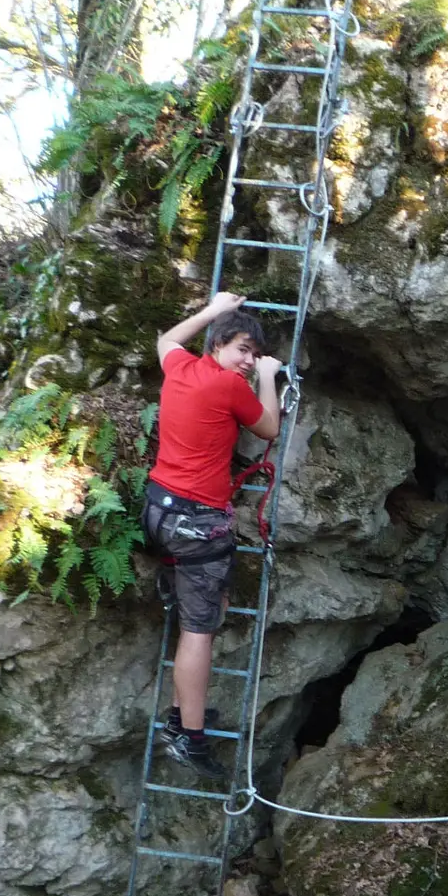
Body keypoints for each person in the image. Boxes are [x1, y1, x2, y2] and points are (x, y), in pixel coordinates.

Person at [141, 291, 282, 781]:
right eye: (243, 350)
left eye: (255, 355)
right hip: (196, 523)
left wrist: (209, 308)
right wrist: (268, 377)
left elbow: (166, 339)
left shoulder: (180, 368)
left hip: (160, 510)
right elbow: (268, 428)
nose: (249, 361)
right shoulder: (229, 386)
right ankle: (189, 738)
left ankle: (185, 716)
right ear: (219, 344)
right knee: (199, 631)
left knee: (197, 618)